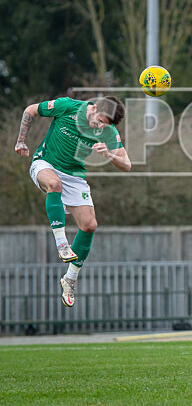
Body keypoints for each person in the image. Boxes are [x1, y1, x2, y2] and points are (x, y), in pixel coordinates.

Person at [14, 96, 129, 307]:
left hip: (74, 177)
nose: (100, 127)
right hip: (45, 163)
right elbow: (30, 110)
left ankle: (70, 279)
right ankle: (62, 243)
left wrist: (110, 156)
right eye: (100, 121)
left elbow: (127, 165)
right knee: (54, 184)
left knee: (89, 226)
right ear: (93, 108)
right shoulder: (68, 106)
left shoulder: (108, 132)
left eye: (105, 125)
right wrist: (21, 140)